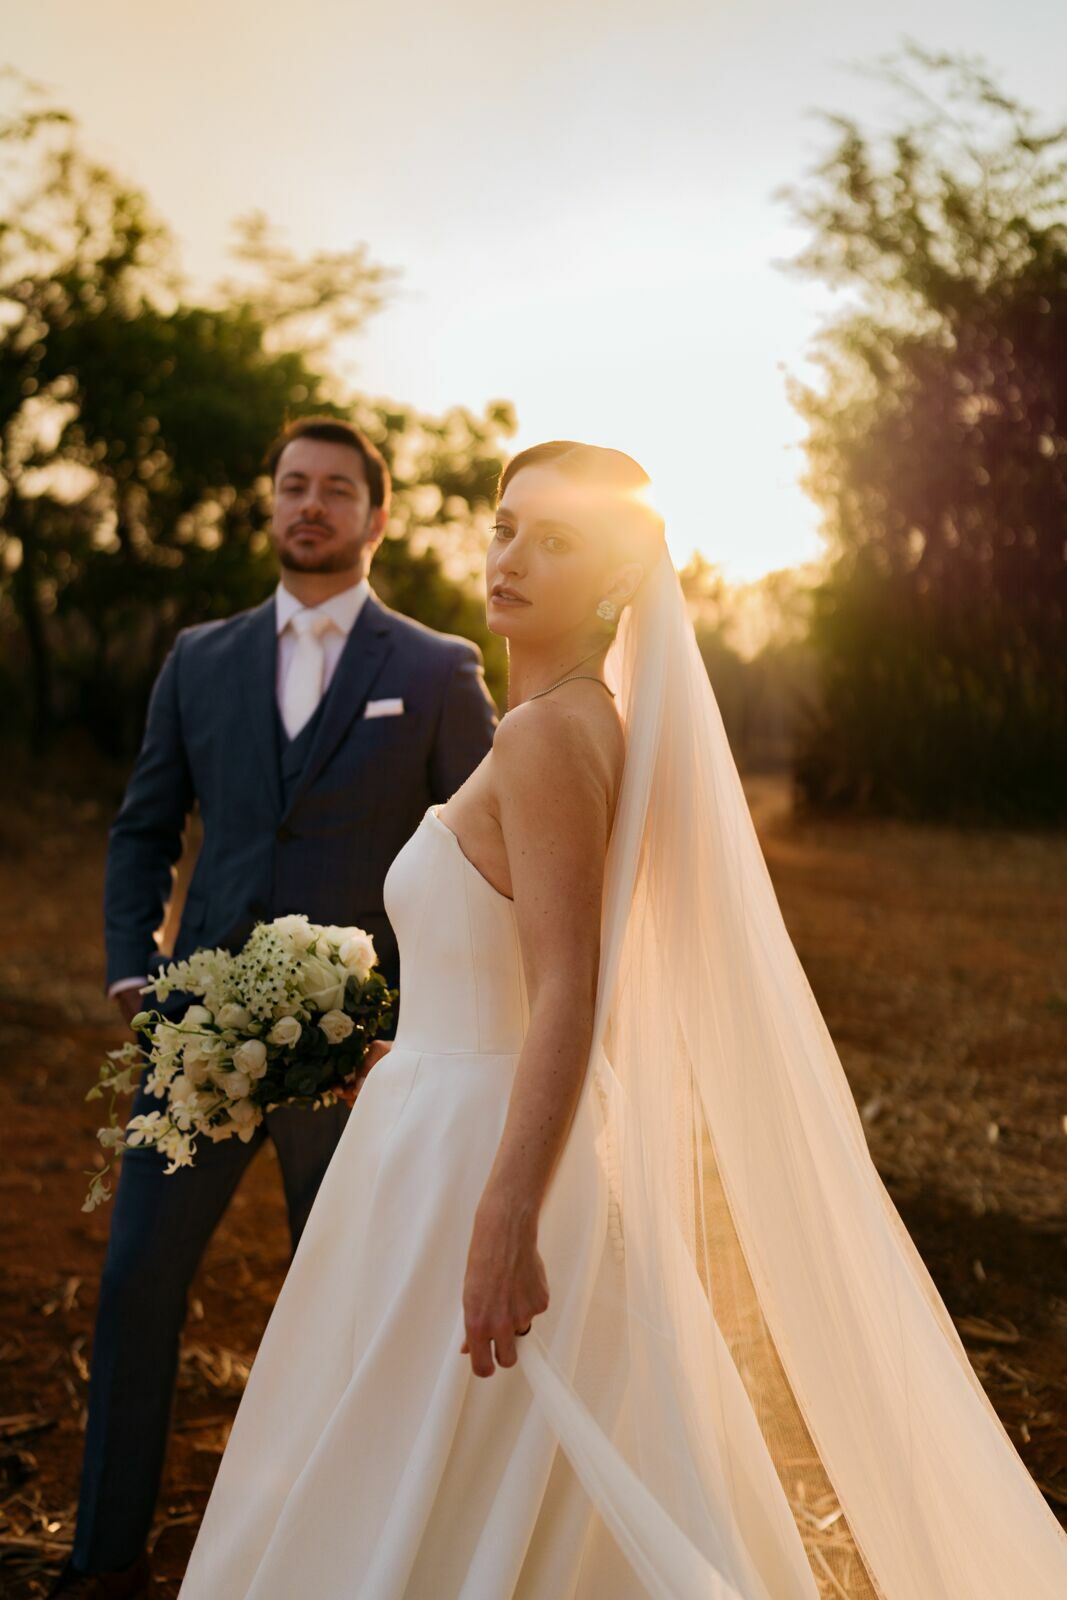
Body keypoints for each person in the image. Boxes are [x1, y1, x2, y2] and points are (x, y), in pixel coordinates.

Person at [179, 440, 1067, 1599]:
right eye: (505, 526)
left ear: (613, 583)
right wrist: (418, 1050)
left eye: (557, 541)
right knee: (459, 1465)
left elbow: (568, 988)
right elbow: (511, 970)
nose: (512, 557)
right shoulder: (558, 717)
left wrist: (504, 1215)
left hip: (476, 1168)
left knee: (431, 1469)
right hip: (437, 1126)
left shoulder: (550, 735)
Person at [53, 417, 498, 1600]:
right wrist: (132, 967)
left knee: (343, 1301)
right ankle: (103, 1561)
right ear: (270, 502)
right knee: (138, 1281)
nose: (311, 504)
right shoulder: (198, 657)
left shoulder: (435, 666)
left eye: (336, 489)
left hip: (360, 1054)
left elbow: (480, 859)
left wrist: (433, 1015)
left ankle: (338, 1562)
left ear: (376, 516)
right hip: (197, 1034)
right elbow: (147, 825)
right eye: (293, 485)